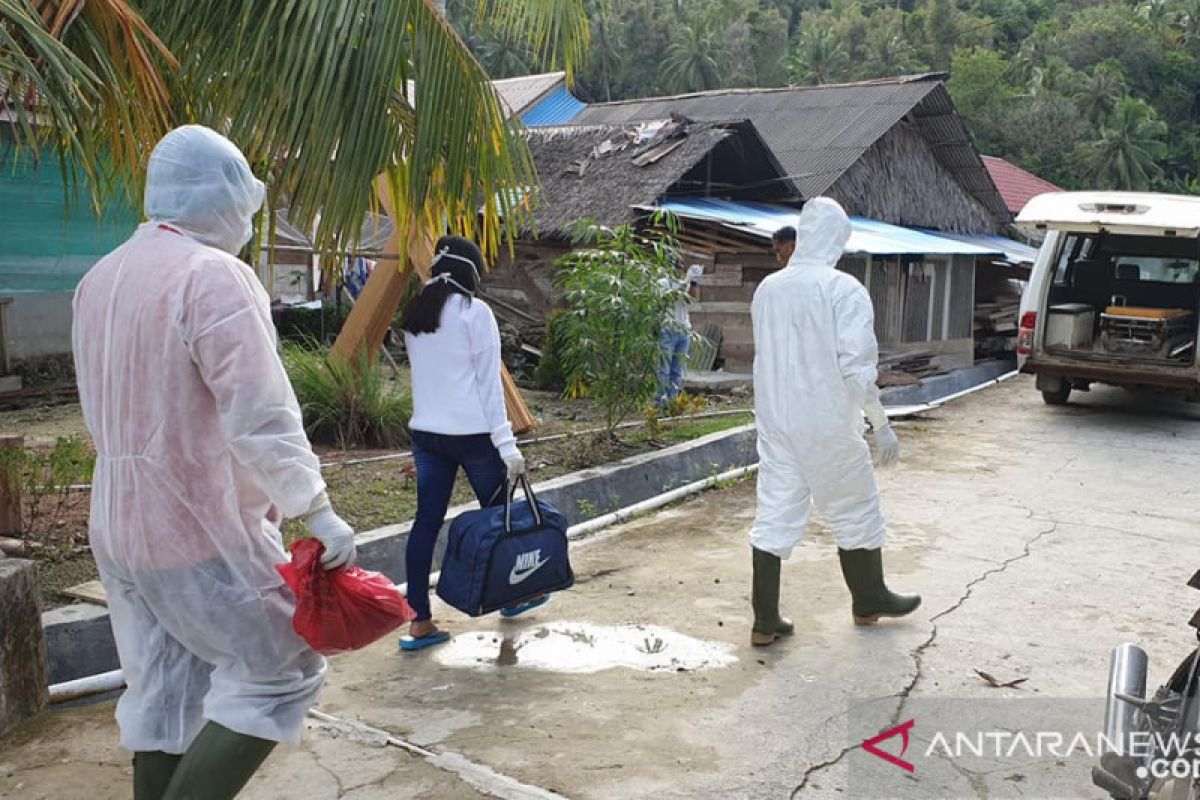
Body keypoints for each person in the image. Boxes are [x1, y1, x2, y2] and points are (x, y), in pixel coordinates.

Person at [72, 125, 357, 800]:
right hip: (193, 526)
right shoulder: (213, 278)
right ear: (222, 199)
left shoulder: (99, 279)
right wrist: (315, 510)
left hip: (117, 525)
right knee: (282, 665)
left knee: (166, 691)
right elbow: (260, 413)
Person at [749, 198, 919, 647]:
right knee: (856, 506)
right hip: (825, 422)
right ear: (835, 239)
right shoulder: (844, 290)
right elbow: (857, 369)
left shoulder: (768, 288)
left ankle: (765, 619)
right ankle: (870, 598)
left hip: (775, 421)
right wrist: (880, 422)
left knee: (774, 511)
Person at [399, 236, 537, 652]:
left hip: (427, 435)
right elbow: (488, 387)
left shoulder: (416, 314)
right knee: (501, 519)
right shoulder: (476, 314)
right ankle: (511, 597)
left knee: (425, 523)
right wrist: (507, 445)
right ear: (471, 272)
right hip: (475, 438)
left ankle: (418, 622)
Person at [656, 261, 704, 406]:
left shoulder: (684, 282)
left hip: (684, 329)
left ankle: (673, 401)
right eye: (677, 268)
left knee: (678, 369)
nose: (679, 271)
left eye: (681, 269)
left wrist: (694, 282)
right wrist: (686, 281)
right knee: (664, 369)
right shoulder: (663, 283)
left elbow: (691, 299)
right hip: (668, 329)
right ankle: (661, 402)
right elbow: (671, 298)